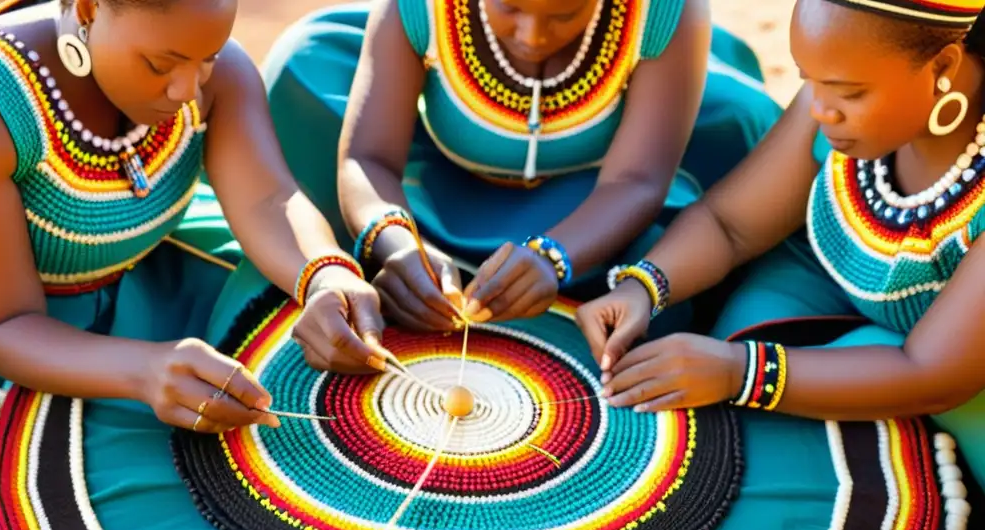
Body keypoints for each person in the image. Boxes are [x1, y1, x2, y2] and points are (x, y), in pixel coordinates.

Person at [574, 0, 985, 530]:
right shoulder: (833, 100)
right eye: (810, 82)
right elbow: (733, 224)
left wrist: (740, 371)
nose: (821, 109)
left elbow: (930, 369)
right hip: (823, 300)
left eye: (849, 93)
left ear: (945, 70)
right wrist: (645, 286)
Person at [223, 0, 784, 364]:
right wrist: (395, 242)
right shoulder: (416, 10)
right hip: (433, 181)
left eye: (564, 15)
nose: (533, 35)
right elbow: (367, 158)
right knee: (305, 67)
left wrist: (554, 258)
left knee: (729, 180)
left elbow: (637, 179)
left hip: (593, 200)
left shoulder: (666, 14)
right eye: (508, 7)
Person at [0, 0, 387, 441]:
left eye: (209, 58)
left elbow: (267, 199)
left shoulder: (215, 71)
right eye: (161, 64)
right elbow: (2, 324)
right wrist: (144, 370)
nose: (187, 90)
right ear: (88, 9)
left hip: (159, 282)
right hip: (28, 343)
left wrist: (325, 273)